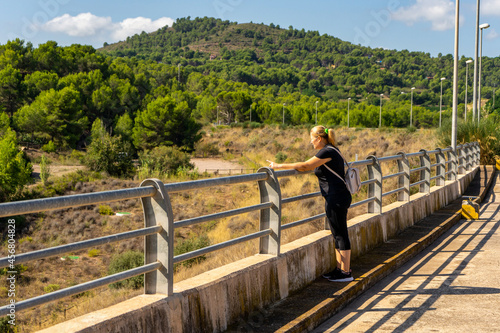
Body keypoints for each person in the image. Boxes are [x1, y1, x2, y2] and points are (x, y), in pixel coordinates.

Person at [266, 125, 353, 282]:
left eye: (312, 139)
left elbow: (306, 166)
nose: (310, 142)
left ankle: (346, 272)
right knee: (337, 233)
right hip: (337, 196)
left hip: (336, 198)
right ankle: (340, 269)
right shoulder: (332, 149)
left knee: (340, 233)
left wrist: (278, 166)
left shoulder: (326, 151)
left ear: (319, 139)